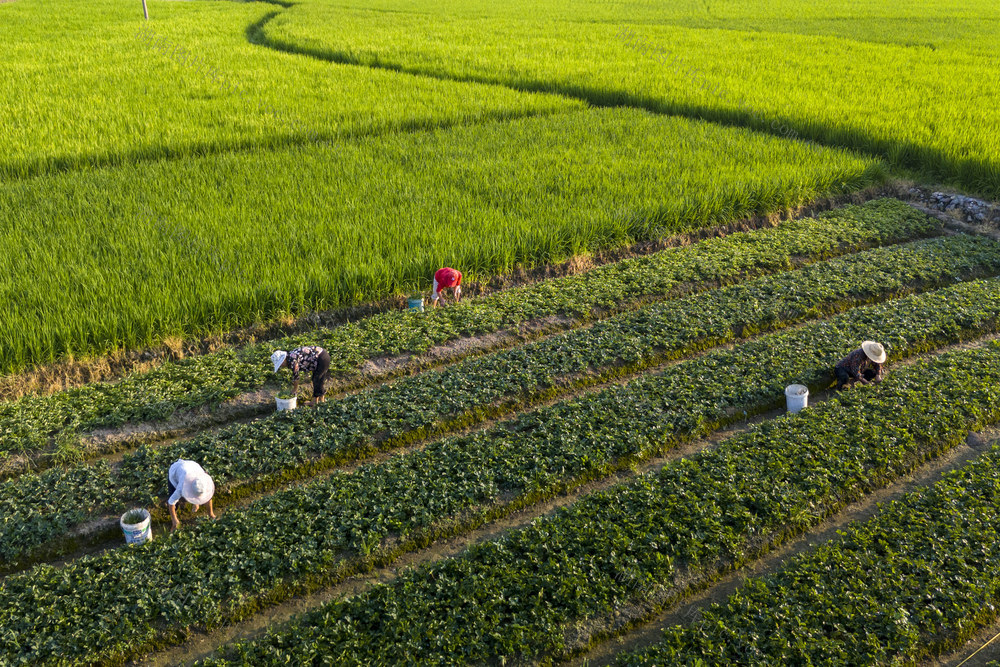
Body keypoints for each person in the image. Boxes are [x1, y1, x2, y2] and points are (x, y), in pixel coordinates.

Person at [166, 458, 216, 530]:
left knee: (201, 493)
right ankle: (174, 519)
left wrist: (211, 515)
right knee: (175, 501)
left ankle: (211, 514)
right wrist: (174, 520)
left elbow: (208, 498)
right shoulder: (181, 487)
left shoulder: (204, 482)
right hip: (175, 470)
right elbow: (171, 502)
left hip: (192, 465)